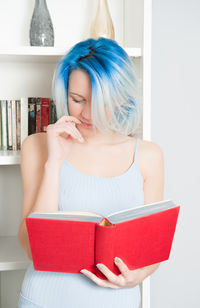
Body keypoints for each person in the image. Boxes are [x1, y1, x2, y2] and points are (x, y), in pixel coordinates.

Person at [17, 37, 164, 308]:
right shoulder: (37, 146)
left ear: (122, 98)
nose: (87, 113)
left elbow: (152, 250)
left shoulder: (148, 155)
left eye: (101, 101)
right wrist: (54, 162)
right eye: (77, 99)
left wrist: (137, 277)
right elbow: (30, 247)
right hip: (44, 299)